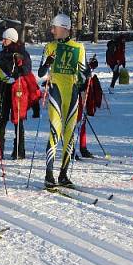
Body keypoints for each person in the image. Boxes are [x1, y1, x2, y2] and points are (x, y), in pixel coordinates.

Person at [38, 13, 89, 188]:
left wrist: (89, 71)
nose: (52, 31)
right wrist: (48, 63)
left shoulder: (79, 47)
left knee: (69, 135)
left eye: (55, 27)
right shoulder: (50, 46)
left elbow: (84, 73)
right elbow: (40, 73)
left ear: (64, 28)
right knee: (55, 132)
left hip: (72, 93)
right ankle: (49, 175)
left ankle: (63, 174)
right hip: (56, 93)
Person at [0, 28, 32, 161]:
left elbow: (27, 70)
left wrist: (19, 65)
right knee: (1, 119)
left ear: (12, 39)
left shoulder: (22, 53)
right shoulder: (1, 54)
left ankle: (19, 151)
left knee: (18, 120)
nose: (3, 41)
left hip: (17, 90)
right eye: (3, 39)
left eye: (6, 39)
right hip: (4, 89)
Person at [77, 55, 102, 159]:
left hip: (81, 95)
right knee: (71, 124)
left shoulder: (81, 60)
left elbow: (87, 68)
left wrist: (92, 65)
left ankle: (83, 148)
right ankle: (70, 149)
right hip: (70, 94)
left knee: (82, 122)